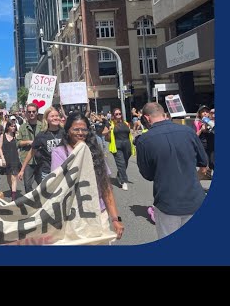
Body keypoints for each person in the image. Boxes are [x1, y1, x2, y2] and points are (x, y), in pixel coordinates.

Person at [136, 102, 208, 240]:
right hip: (195, 200)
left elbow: (147, 175)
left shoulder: (144, 141)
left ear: (146, 118)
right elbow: (203, 162)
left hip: (167, 203)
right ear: (164, 114)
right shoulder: (188, 131)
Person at [51, 112, 124, 239]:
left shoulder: (95, 152)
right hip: (72, 216)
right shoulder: (59, 153)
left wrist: (115, 219)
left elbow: (106, 188)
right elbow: (57, 188)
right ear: (68, 131)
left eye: (84, 129)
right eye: (76, 129)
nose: (80, 133)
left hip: (98, 213)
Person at [18, 107, 65, 182]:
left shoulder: (65, 133)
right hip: (48, 173)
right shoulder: (42, 135)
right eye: (52, 116)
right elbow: (31, 152)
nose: (55, 118)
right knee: (48, 194)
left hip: (63, 171)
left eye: (57, 116)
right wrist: (22, 170)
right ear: (46, 119)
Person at [105, 108, 135, 190]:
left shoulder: (126, 123)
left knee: (125, 163)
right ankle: (124, 181)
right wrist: (109, 131)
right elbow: (103, 132)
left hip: (127, 145)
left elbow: (130, 133)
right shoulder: (110, 123)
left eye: (119, 113)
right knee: (121, 163)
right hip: (117, 146)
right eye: (116, 114)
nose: (118, 115)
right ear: (113, 115)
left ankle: (119, 176)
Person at [16, 103, 42, 194]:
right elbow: (18, 142)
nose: (31, 113)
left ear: (37, 113)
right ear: (26, 113)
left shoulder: (43, 126)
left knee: (43, 184)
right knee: (27, 185)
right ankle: (30, 204)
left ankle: (42, 203)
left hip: (41, 160)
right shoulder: (23, 127)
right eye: (29, 112)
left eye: (33, 112)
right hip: (27, 161)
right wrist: (28, 142)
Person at [0, 120, 21, 200]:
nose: (13, 127)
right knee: (8, 176)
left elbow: (19, 147)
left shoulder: (16, 136)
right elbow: (0, 148)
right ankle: (12, 190)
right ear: (8, 127)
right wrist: (2, 158)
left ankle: (13, 197)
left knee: (14, 177)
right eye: (11, 126)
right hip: (6, 158)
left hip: (14, 158)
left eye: (14, 126)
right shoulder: (2, 136)